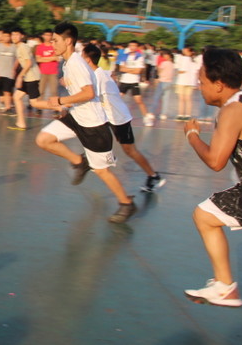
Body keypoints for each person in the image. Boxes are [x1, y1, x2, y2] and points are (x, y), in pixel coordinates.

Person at [183, 48, 242, 307]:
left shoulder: (233, 111)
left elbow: (216, 161)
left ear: (218, 84)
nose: (199, 87)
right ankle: (224, 287)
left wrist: (192, 135)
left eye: (202, 81)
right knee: (205, 215)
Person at [33, 22, 137, 223]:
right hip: (75, 117)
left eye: (55, 40)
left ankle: (126, 204)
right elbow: (78, 93)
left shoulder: (76, 64)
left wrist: (61, 101)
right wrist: (66, 108)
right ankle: (80, 162)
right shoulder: (67, 63)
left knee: (101, 171)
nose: (52, 44)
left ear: (68, 41)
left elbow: (89, 93)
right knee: (43, 139)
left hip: (93, 125)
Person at [83, 44, 166, 192]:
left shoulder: (98, 77)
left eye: (82, 57)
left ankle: (153, 176)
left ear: (88, 59)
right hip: (108, 117)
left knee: (130, 150)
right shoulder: (96, 74)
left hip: (119, 119)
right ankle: (102, 157)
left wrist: (64, 102)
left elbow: (88, 96)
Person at [11, 28, 41, 129]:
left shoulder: (23, 47)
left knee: (34, 103)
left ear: (22, 36)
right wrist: (15, 69)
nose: (14, 37)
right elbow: (22, 60)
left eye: (17, 35)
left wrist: (20, 76)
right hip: (27, 77)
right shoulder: (19, 47)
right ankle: (21, 123)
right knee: (17, 97)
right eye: (13, 35)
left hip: (31, 77)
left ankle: (60, 107)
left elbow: (29, 63)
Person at [117, 41, 151, 125]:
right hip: (124, 81)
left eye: (134, 46)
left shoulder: (139, 57)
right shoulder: (124, 56)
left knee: (139, 100)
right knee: (116, 99)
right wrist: (133, 70)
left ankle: (146, 117)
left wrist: (128, 69)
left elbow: (138, 71)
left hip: (134, 82)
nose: (132, 47)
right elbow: (121, 68)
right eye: (130, 45)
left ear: (137, 47)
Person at [146, 49, 175, 121]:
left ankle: (151, 112)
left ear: (168, 55)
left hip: (162, 81)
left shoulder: (164, 63)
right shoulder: (172, 64)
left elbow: (159, 72)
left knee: (156, 97)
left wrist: (158, 68)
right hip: (169, 82)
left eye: (165, 55)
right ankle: (164, 114)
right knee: (166, 99)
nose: (164, 56)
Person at [175, 46, 200, 120]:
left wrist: (178, 72)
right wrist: (197, 83)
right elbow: (196, 72)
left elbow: (181, 70)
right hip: (191, 82)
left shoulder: (182, 58)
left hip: (181, 81)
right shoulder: (195, 60)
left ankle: (180, 114)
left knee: (181, 99)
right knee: (188, 99)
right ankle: (188, 115)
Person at [36, 29, 60, 102]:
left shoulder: (55, 46)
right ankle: (39, 106)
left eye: (49, 35)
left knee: (54, 91)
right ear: (43, 36)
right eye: (46, 35)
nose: (48, 37)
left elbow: (57, 58)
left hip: (54, 72)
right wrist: (52, 58)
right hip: (42, 72)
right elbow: (38, 59)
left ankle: (55, 106)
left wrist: (44, 58)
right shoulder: (40, 47)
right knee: (40, 91)